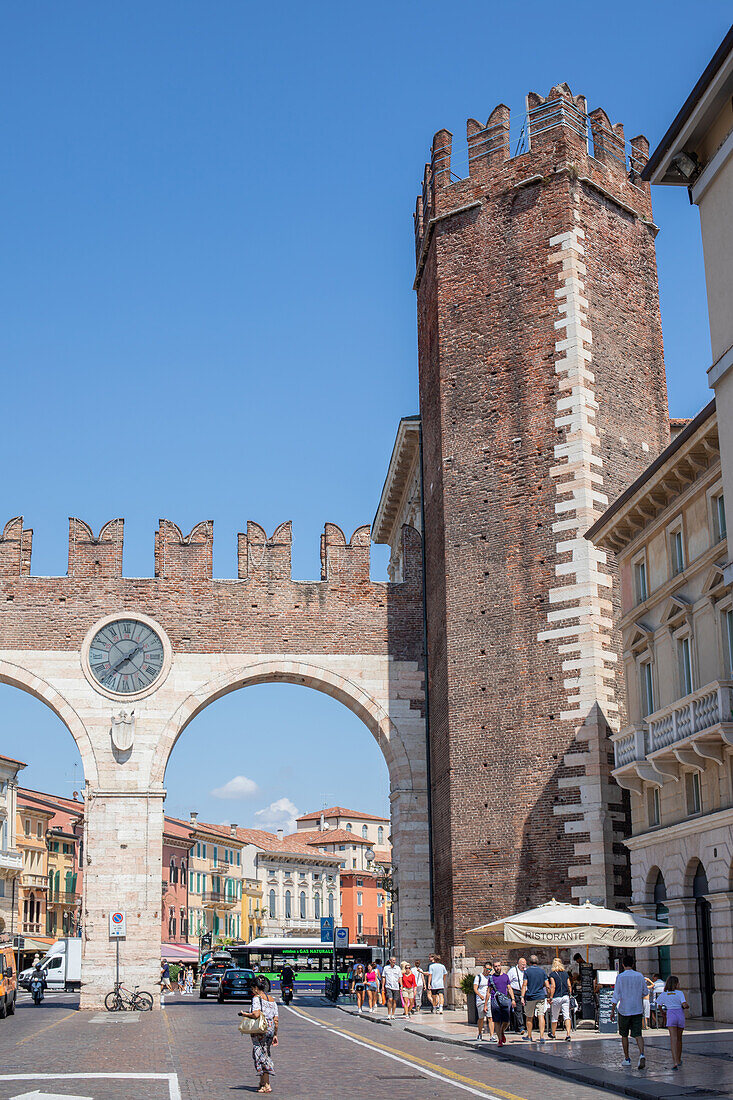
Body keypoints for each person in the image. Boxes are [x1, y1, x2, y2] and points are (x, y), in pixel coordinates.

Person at [240, 974, 279, 1094]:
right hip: (270, 1029)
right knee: (264, 1052)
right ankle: (262, 1083)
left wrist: (245, 1014)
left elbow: (256, 1014)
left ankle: (267, 1085)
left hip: (260, 1030)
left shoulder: (257, 998)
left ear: (256, 988)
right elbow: (276, 1019)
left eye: (252, 989)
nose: (252, 991)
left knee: (261, 1055)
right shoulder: (272, 999)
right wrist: (275, 1034)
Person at [610, 955, 648, 1070]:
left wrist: (612, 1011)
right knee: (638, 1034)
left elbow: (616, 995)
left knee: (624, 1034)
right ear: (633, 964)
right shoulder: (640, 976)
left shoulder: (620, 977)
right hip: (637, 1009)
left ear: (623, 965)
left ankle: (627, 1058)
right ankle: (642, 1054)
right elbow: (645, 991)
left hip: (624, 1009)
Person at [655, 976, 688, 1070]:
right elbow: (684, 1004)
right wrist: (686, 1006)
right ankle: (679, 1058)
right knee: (679, 1039)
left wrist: (662, 1012)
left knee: (673, 1039)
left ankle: (675, 1062)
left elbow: (658, 1004)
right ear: (676, 984)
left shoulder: (664, 994)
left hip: (670, 1014)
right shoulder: (679, 993)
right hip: (680, 1014)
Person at [521, 955, 550, 1044]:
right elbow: (547, 985)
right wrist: (549, 996)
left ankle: (529, 1035)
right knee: (541, 1015)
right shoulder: (542, 971)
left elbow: (525, 984)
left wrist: (522, 997)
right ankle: (541, 1036)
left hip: (530, 996)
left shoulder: (527, 972)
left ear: (529, 962)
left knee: (529, 1016)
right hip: (541, 996)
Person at [489, 960, 514, 1046]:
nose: (497, 968)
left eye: (499, 966)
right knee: (496, 1021)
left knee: (506, 1021)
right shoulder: (491, 978)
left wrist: (513, 999)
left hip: (504, 1000)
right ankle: (499, 1040)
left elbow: (509, 988)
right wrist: (486, 1004)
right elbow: (489, 991)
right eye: (495, 966)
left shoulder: (505, 977)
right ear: (493, 967)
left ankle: (502, 1031)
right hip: (495, 1001)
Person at [549, 958, 573, 1041]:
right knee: (567, 1016)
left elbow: (553, 986)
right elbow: (569, 985)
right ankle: (568, 1034)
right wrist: (569, 994)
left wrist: (550, 997)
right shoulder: (565, 974)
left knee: (555, 1016)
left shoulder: (552, 974)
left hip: (557, 997)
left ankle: (553, 1034)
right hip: (565, 996)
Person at [507, 957, 527, 1036]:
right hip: (516, 992)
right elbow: (508, 983)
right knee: (518, 1010)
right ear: (518, 964)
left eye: (525, 964)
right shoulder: (512, 971)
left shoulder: (526, 971)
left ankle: (522, 1026)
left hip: (525, 992)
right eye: (522, 965)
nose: (524, 966)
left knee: (525, 1010)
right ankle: (521, 1027)